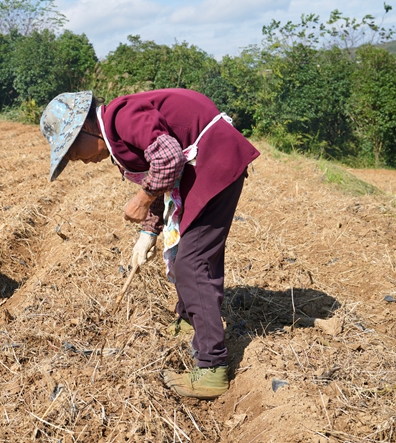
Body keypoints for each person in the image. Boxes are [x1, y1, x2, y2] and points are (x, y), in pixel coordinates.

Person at [40, 89, 259, 399]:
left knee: (193, 263)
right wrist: (149, 232)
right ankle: (190, 321)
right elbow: (160, 175)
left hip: (215, 162)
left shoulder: (122, 117)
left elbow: (169, 158)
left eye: (75, 151)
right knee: (186, 255)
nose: (81, 160)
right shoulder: (116, 132)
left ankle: (212, 368)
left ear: (86, 127)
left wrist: (141, 199)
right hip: (207, 164)